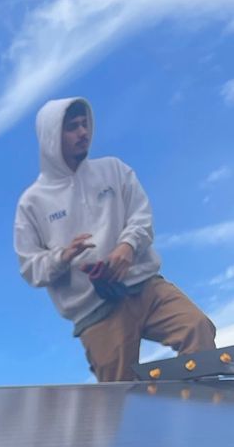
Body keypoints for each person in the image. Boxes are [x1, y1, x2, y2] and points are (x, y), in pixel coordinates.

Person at [14, 98, 215, 382]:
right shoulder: (32, 203)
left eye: (85, 124)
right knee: (119, 398)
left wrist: (127, 247)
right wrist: (63, 256)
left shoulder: (114, 170)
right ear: (51, 138)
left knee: (197, 327)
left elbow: (141, 217)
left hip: (145, 287)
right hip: (96, 312)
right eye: (72, 127)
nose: (83, 132)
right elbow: (30, 268)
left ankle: (203, 413)